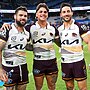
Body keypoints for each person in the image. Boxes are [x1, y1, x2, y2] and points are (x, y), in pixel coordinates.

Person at [0, 3, 61, 90]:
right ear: (36, 14)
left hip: (29, 65)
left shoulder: (52, 28)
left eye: (45, 12)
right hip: (13, 66)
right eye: (20, 15)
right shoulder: (28, 28)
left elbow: (59, 43)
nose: (43, 14)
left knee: (51, 86)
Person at [58, 3, 90, 90]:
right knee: (69, 87)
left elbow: (89, 41)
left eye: (68, 11)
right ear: (61, 14)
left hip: (78, 62)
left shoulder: (79, 27)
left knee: (82, 88)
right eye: (64, 12)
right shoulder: (59, 29)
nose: (66, 13)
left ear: (72, 13)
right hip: (65, 62)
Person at [0, 6, 30, 90]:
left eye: (25, 16)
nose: (23, 18)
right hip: (8, 67)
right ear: (15, 16)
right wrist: (0, 69)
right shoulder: (7, 29)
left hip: (23, 67)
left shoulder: (27, 33)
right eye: (20, 15)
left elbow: (28, 46)